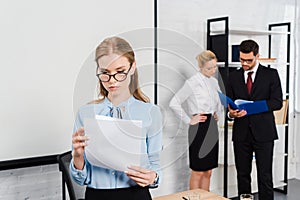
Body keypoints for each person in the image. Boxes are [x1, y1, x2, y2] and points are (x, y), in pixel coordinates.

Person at [70, 36, 162, 200]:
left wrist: (153, 177)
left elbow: (155, 165)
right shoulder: (86, 114)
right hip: (97, 196)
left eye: (120, 72)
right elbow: (80, 179)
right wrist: (77, 156)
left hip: (136, 195)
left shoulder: (150, 112)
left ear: (132, 67)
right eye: (105, 73)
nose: (112, 81)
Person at [227, 39, 283, 200]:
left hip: (264, 133)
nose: (244, 63)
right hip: (241, 133)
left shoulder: (271, 74)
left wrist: (252, 108)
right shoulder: (233, 76)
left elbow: (277, 102)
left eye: (248, 60)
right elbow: (229, 104)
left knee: (265, 175)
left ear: (258, 56)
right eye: (241, 59)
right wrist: (232, 114)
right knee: (242, 175)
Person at [169, 50, 222, 191]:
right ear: (200, 67)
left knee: (208, 171)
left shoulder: (214, 82)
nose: (213, 70)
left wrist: (216, 113)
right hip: (198, 128)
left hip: (212, 127)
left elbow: (218, 102)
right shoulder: (192, 82)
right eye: (209, 68)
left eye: (214, 67)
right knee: (198, 170)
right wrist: (189, 120)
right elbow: (174, 102)